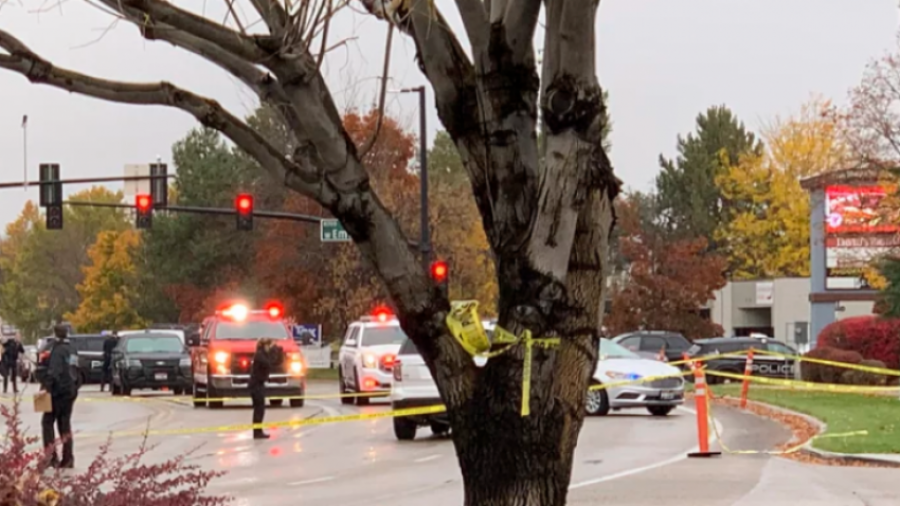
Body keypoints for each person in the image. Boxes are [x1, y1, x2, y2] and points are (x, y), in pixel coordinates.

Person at [41, 325, 79, 469]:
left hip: (58, 392)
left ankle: (51, 457)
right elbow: (75, 369)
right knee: (65, 424)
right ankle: (68, 458)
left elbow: (54, 372)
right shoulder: (72, 348)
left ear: (55, 334)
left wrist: (46, 389)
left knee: (47, 422)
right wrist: (75, 386)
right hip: (70, 391)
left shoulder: (57, 350)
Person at [249, 338, 284, 440]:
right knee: (259, 409)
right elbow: (268, 363)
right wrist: (273, 351)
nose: (270, 347)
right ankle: (257, 432)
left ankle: (259, 431)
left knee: (261, 409)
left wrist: (279, 351)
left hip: (260, 384)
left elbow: (276, 363)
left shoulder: (264, 355)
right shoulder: (259, 355)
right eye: (269, 345)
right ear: (265, 345)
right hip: (256, 385)